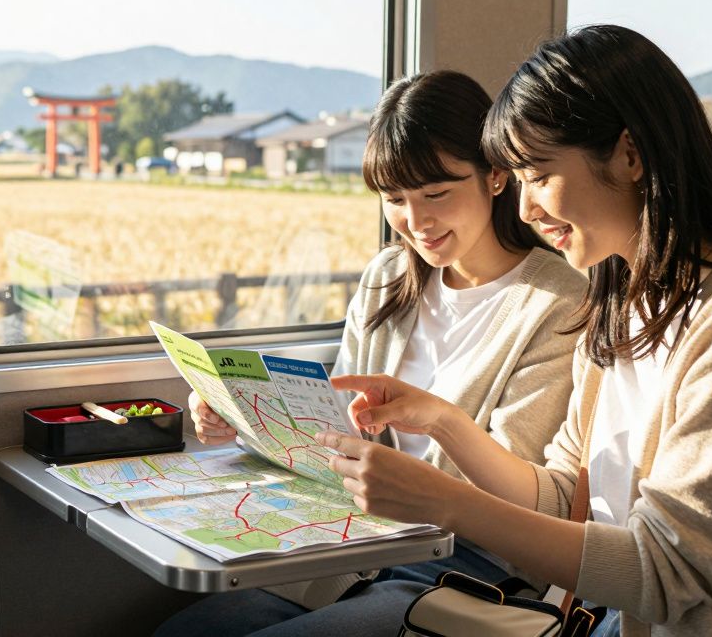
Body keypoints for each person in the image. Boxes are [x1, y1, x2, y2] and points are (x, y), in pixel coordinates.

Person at [320, 25, 712, 636]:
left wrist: (445, 503)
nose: (527, 209)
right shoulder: (622, 299)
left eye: (538, 176)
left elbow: (666, 572)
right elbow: (568, 497)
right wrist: (443, 422)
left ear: (629, 155)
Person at [154, 70, 586, 637]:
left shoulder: (557, 302)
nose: (417, 222)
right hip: (359, 540)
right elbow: (336, 426)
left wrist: (431, 437)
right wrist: (242, 416)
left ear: (496, 176)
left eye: (436, 194)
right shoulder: (389, 277)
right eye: (395, 199)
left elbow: (524, 497)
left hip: (469, 563)